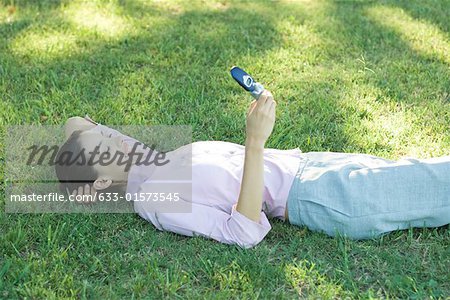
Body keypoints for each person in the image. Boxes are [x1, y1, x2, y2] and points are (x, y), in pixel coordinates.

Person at [55, 91, 450, 249]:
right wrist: (255, 142)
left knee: (426, 172)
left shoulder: (145, 162)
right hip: (323, 196)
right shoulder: (156, 200)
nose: (118, 138)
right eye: (108, 145)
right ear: (104, 179)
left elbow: (78, 122)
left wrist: (80, 156)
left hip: (316, 163)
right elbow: (242, 233)